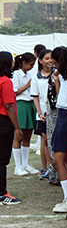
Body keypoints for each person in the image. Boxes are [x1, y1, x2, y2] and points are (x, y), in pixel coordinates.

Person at [51, 46, 67, 213]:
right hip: (64, 114)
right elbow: (62, 97)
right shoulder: (64, 75)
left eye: (54, 62)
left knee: (58, 160)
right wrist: (57, 80)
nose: (53, 66)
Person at [0, 52, 22, 204]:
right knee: (2, 160)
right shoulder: (6, 82)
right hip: (3, 122)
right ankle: (2, 194)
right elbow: (9, 106)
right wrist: (17, 128)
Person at [11, 53, 37, 176]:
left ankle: (25, 165)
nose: (32, 67)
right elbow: (14, 92)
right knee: (18, 136)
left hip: (30, 104)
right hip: (21, 104)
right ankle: (17, 167)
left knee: (27, 136)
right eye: (31, 64)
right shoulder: (16, 74)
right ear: (24, 63)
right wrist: (27, 85)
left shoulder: (29, 74)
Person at [30, 49, 53, 176]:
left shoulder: (57, 75)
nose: (49, 61)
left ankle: (53, 167)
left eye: (51, 58)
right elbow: (35, 97)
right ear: (40, 61)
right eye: (47, 58)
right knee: (44, 139)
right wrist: (39, 113)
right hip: (42, 114)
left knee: (52, 140)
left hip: (54, 113)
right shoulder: (36, 77)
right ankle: (46, 168)